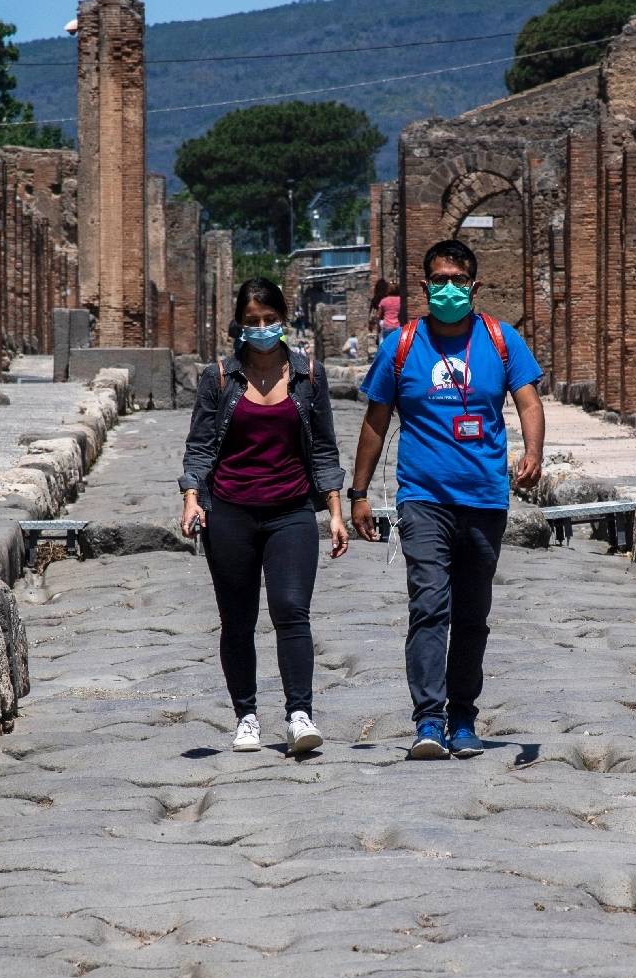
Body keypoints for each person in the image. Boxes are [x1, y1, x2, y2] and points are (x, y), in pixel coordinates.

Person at [349, 240, 544, 760]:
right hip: (423, 497)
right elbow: (376, 421)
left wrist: (533, 452)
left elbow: (528, 400)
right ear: (425, 286)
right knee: (430, 604)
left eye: (459, 280)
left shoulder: (501, 340)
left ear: (475, 287)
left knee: (473, 613)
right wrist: (359, 493)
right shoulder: (403, 345)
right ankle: (429, 719)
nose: (450, 289)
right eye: (440, 281)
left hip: (484, 498)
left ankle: (463, 716)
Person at [180, 277, 349, 754]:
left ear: (284, 320)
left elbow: (322, 450)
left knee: (291, 610)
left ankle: (299, 714)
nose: (261, 329)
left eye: (269, 320)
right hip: (230, 511)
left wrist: (334, 511)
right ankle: (247, 715)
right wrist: (192, 496)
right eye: (252, 322)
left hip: (291, 510)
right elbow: (199, 446)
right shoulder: (218, 378)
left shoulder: (309, 376)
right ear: (239, 324)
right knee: (237, 620)